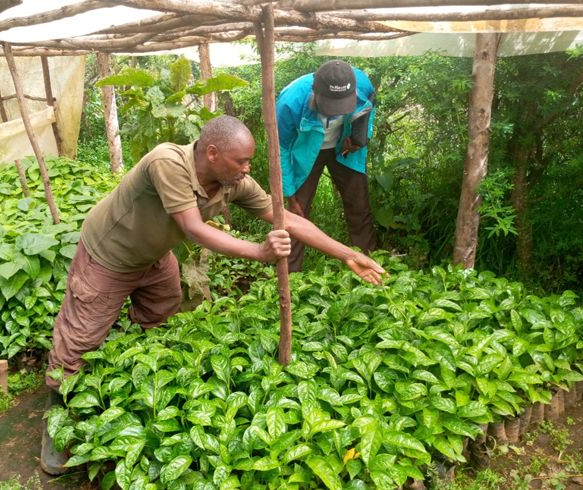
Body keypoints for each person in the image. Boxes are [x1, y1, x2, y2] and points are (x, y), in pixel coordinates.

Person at [41, 116, 386, 474]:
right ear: (212, 153)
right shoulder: (168, 162)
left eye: (249, 161)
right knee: (80, 337)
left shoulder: (232, 182)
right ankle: (57, 416)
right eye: (241, 161)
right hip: (108, 255)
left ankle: (135, 378)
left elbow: (287, 220)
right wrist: (259, 252)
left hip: (154, 256)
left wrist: (347, 253)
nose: (247, 168)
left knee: (162, 313)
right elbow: (193, 228)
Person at [276, 59, 378, 273]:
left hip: (343, 148)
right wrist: (290, 195)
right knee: (295, 215)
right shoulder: (290, 102)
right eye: (330, 106)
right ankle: (289, 276)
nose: (335, 113)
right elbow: (281, 150)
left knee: (359, 205)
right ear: (315, 91)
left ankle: (369, 266)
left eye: (342, 107)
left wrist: (361, 139)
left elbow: (369, 106)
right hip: (306, 152)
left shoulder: (361, 84)